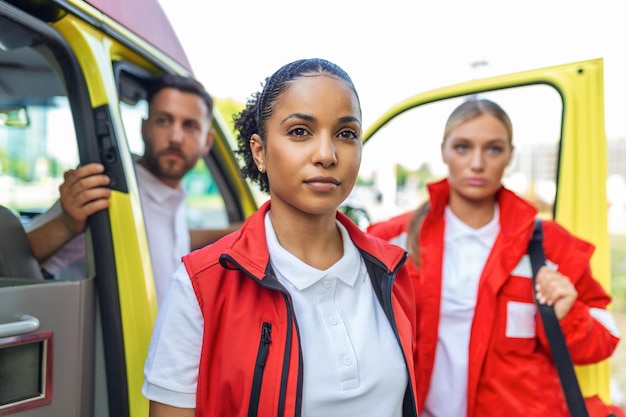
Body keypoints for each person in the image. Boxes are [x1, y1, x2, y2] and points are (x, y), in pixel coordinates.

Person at [142, 58, 419, 417]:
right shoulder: (201, 286)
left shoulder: (392, 270)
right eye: (300, 131)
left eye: (346, 134)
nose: (326, 154)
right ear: (259, 151)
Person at [367, 98, 621, 417]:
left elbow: (606, 337)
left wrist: (570, 314)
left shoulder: (550, 246)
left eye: (493, 149)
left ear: (510, 155)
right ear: (444, 151)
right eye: (462, 147)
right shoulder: (393, 240)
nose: (477, 163)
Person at [26, 74, 239, 303]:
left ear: (207, 141)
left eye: (189, 126)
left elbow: (163, 238)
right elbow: (12, 261)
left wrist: (239, 230)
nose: (176, 137)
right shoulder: (107, 186)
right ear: (144, 128)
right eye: (163, 121)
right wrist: (66, 224)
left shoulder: (170, 193)